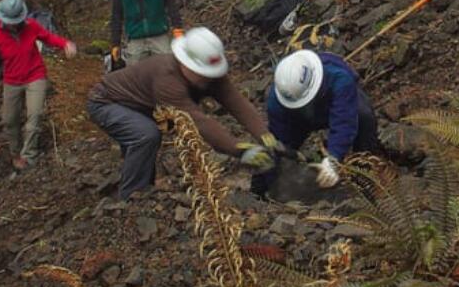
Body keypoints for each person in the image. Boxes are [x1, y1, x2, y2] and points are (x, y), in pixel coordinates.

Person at [87, 26, 277, 200]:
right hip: (106, 103)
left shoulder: (211, 75)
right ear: (184, 62)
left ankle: (141, 184)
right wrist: (239, 150)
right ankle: (131, 199)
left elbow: (236, 102)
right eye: (201, 72)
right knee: (146, 135)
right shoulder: (167, 79)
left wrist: (266, 136)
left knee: (147, 134)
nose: (206, 77)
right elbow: (198, 121)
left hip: (140, 106)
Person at [254, 49, 381, 197]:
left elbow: (344, 123)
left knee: (364, 118)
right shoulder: (276, 102)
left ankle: (365, 180)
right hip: (298, 119)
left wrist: (333, 159)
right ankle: (258, 193)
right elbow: (277, 140)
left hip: (333, 105)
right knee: (274, 151)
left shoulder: (340, 79)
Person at [0, 0, 77, 168]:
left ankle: (29, 156)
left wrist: (65, 44)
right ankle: (15, 153)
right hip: (12, 81)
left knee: (34, 116)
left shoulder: (31, 26)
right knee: (10, 120)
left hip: (35, 76)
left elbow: (48, 37)